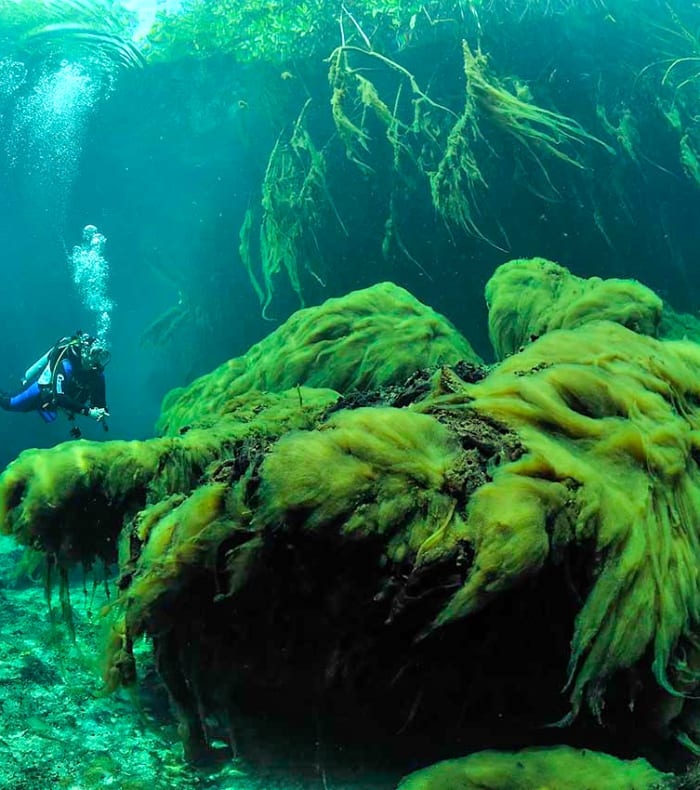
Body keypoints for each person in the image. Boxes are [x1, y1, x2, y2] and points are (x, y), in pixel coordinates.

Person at [1, 331, 110, 437]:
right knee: (9, 404)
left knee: (41, 412)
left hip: (56, 405)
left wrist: (102, 411)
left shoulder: (97, 375)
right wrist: (89, 412)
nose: (96, 360)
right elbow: (60, 397)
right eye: (94, 353)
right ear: (83, 351)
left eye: (101, 356)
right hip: (42, 392)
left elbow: (100, 402)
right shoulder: (67, 366)